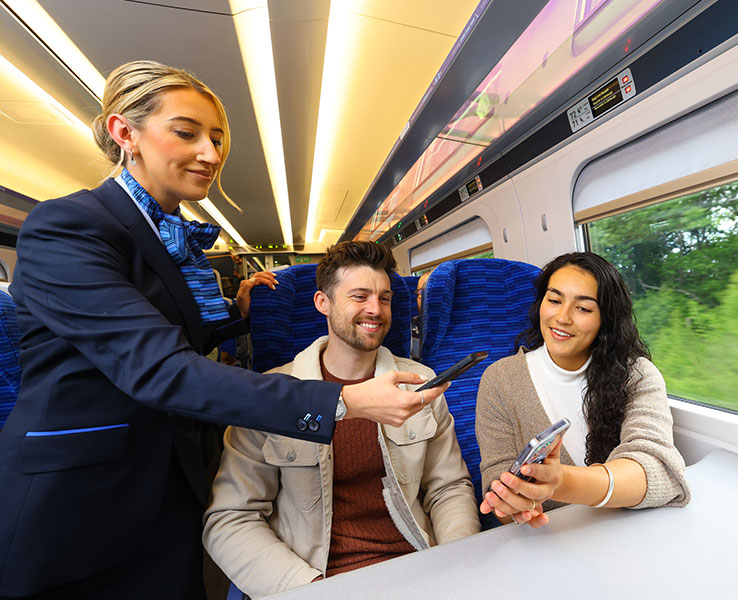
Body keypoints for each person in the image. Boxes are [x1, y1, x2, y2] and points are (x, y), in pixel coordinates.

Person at [0, 61, 446, 599]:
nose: (211, 154)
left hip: (174, 481)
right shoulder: (68, 227)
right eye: (186, 133)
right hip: (81, 497)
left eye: (216, 138)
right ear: (125, 133)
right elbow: (158, 366)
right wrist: (344, 401)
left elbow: (165, 338)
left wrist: (235, 313)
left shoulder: (168, 241)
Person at [203, 241, 480, 598]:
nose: (375, 310)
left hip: (417, 569)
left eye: (384, 298)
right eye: (359, 296)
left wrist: (458, 562)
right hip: (315, 578)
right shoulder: (270, 394)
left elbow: (449, 488)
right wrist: (307, 589)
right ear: (323, 303)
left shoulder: (420, 382)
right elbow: (230, 520)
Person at [476, 252, 690, 527]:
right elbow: (498, 487)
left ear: (606, 319)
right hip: (547, 541)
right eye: (554, 301)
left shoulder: (636, 374)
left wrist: (561, 482)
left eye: (583, 309)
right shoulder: (500, 380)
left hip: (626, 532)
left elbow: (659, 471)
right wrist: (512, 502)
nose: (562, 318)